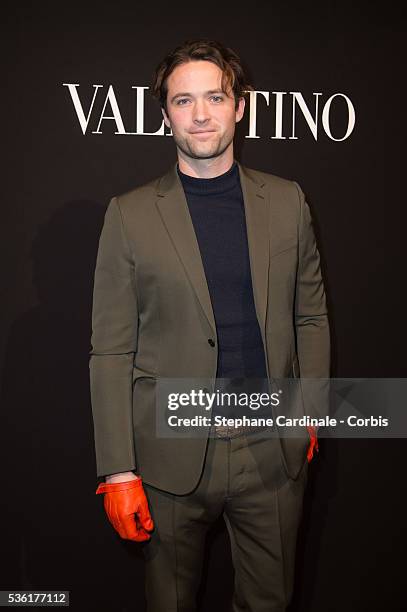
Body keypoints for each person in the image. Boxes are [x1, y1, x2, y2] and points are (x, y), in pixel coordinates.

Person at [90, 38, 330, 612]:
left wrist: (312, 411)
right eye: (183, 100)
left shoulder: (288, 202)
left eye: (215, 97)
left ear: (240, 105)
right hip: (168, 457)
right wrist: (118, 470)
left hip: (271, 453)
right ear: (166, 112)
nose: (200, 114)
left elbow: (312, 315)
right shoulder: (129, 214)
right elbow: (111, 351)